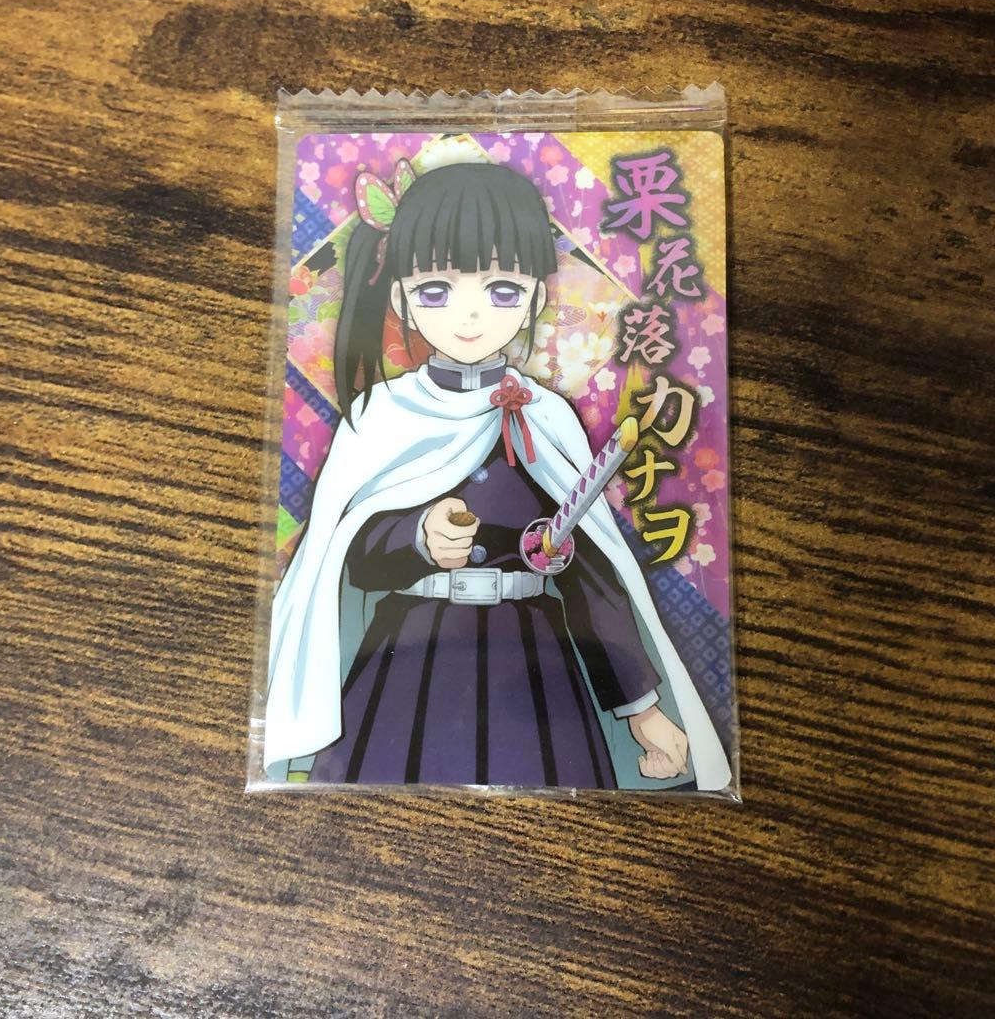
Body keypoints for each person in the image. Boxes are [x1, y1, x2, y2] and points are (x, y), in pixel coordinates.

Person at [265, 159, 731, 790]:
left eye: (502, 291)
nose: (469, 317)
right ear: (401, 298)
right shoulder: (381, 415)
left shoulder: (545, 415)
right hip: (410, 662)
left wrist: (642, 709)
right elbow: (346, 557)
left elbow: (592, 573)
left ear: (536, 296)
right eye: (436, 291)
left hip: (535, 666)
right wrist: (416, 537)